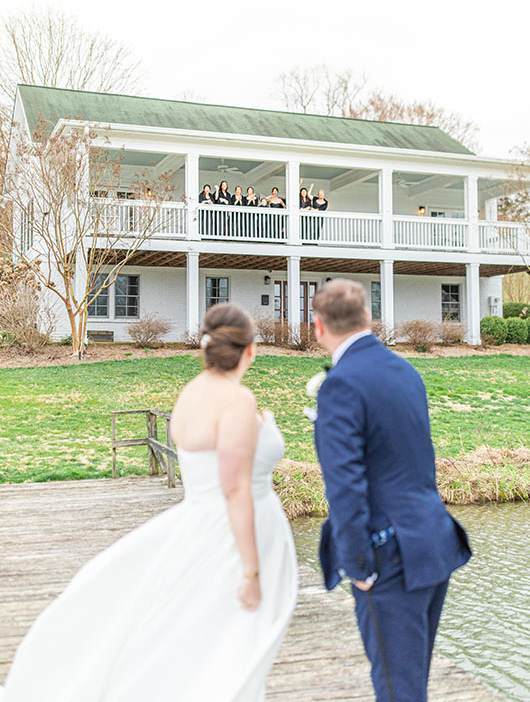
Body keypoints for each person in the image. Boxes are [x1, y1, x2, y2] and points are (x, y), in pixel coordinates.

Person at [0, 304, 297, 702]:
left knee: (195, 639)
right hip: (231, 538)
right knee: (233, 645)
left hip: (198, 527)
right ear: (250, 350)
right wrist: (250, 573)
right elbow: (234, 488)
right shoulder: (236, 400)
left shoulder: (191, 394)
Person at [311, 279, 471, 702]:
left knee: (398, 690)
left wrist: (358, 566)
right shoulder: (405, 369)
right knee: (411, 680)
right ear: (367, 317)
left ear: (317, 327)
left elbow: (344, 485)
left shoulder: (341, 385)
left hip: (389, 557)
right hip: (432, 542)